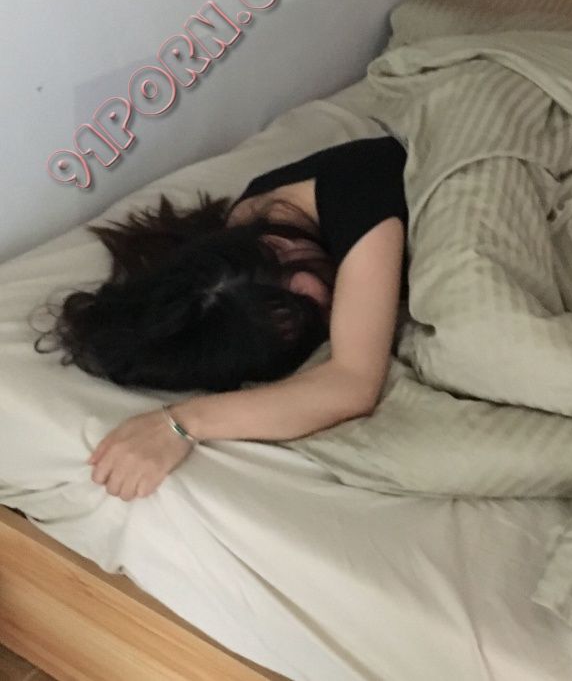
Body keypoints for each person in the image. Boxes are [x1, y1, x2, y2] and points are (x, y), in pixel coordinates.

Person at [33, 135, 409, 502]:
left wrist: (181, 423)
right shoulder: (230, 266)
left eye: (305, 303)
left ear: (279, 246)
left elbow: (353, 382)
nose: (330, 313)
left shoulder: (355, 196)